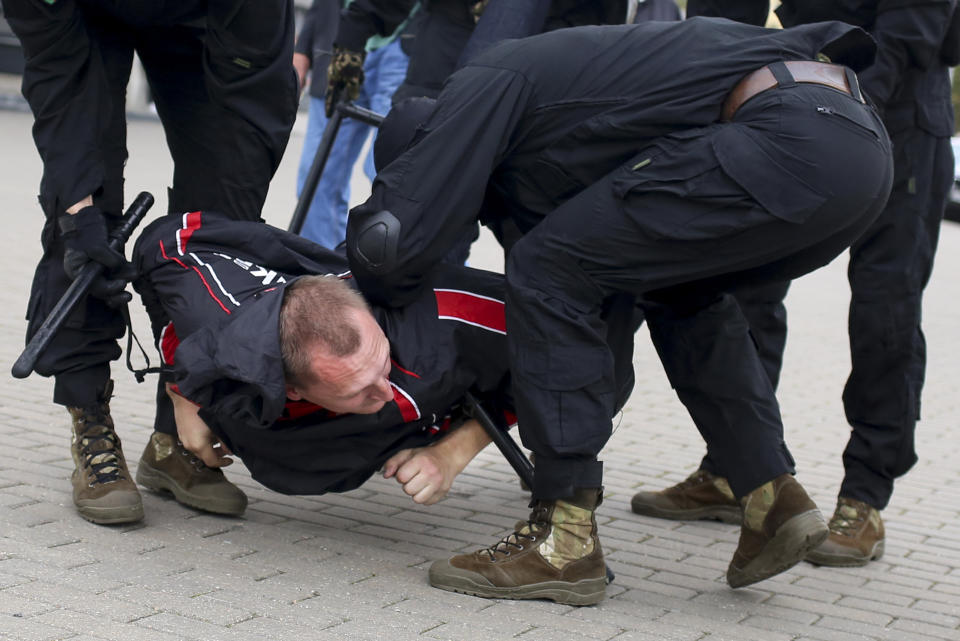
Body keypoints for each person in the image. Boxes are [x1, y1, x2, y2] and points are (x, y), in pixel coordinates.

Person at [345, 18, 893, 605]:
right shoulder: (553, 140)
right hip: (857, 154)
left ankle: (563, 541)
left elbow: (394, 238)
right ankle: (770, 495)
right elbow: (598, 322)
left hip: (787, 135)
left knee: (544, 266)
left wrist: (347, 298)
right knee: (682, 295)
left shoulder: (483, 82)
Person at [635, 0, 957, 569]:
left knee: (886, 313)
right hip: (801, 111)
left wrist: (826, 113)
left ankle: (866, 496)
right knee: (747, 288)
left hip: (901, 121)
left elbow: (908, 37)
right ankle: (738, 470)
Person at [3, 0, 298, 524]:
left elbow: (250, 123)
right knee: (83, 224)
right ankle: (90, 420)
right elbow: (59, 76)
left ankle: (176, 440)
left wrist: (198, 379)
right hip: (86, 18)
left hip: (214, 22)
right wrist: (79, 209)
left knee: (220, 228)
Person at [131, 210, 553, 504]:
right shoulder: (226, 328)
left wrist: (455, 450)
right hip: (288, 440)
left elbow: (574, 351)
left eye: (381, 364)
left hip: (442, 389)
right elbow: (163, 241)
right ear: (292, 389)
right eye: (358, 389)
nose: (384, 391)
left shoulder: (443, 318)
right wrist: (185, 393)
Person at [294, 0, 414, 248]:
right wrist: (303, 46)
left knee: (397, 177)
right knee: (317, 176)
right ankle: (324, 272)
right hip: (343, 44)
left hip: (410, 46)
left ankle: (406, 279)